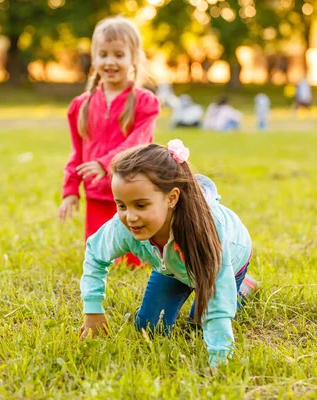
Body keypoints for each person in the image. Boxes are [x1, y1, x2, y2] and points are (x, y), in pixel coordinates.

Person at [79, 140, 258, 368]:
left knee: (201, 324)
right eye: (121, 205)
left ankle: (242, 288)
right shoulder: (123, 227)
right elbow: (95, 253)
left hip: (226, 264)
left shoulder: (205, 233)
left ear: (171, 198)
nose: (130, 217)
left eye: (141, 205)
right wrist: (93, 309)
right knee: (148, 328)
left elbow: (218, 301)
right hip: (173, 269)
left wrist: (220, 359)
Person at [58, 16, 160, 267]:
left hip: (133, 194)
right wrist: (71, 189)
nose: (110, 61)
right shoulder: (80, 106)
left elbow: (138, 143)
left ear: (133, 58)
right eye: (103, 54)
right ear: (94, 58)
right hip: (96, 195)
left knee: (136, 261)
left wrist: (106, 164)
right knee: (100, 257)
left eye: (118, 54)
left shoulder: (145, 102)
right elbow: (77, 152)